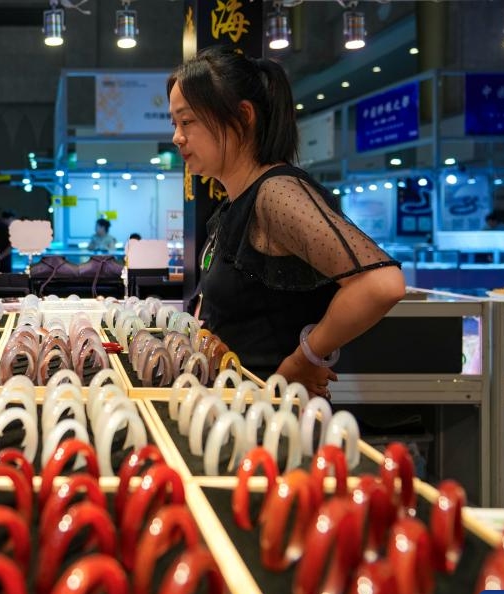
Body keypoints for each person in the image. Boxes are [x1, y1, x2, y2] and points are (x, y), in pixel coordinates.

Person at [167, 47, 405, 399]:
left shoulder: (275, 192)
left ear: (243, 116)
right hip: (241, 408)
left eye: (187, 121)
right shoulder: (235, 202)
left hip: (276, 417)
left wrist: (305, 357)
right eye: (174, 123)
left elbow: (381, 284)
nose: (177, 137)